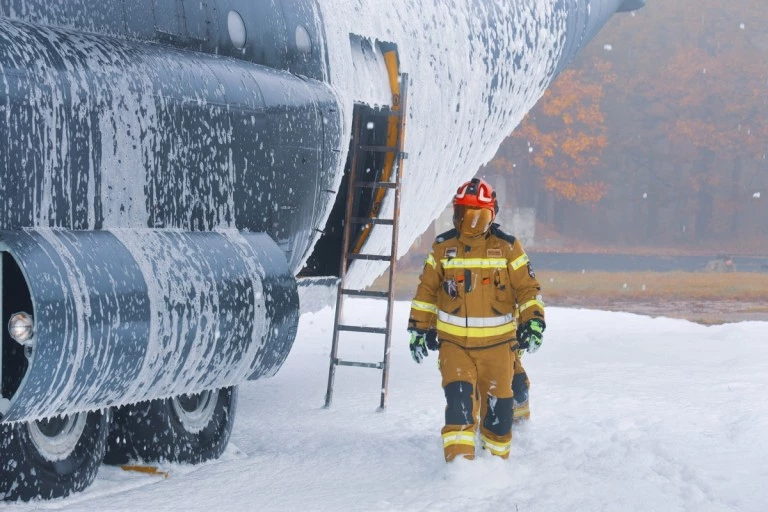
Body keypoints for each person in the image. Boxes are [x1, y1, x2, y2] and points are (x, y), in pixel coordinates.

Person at [407, 177, 545, 462]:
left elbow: (528, 289)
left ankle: (496, 469)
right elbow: (427, 291)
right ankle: (459, 471)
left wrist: (533, 322)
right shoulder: (442, 247)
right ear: (456, 213)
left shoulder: (508, 247)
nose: (470, 222)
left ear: (491, 216)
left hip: (498, 348)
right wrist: (419, 329)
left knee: (499, 414)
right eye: (464, 213)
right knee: (458, 407)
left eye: (478, 215)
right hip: (455, 346)